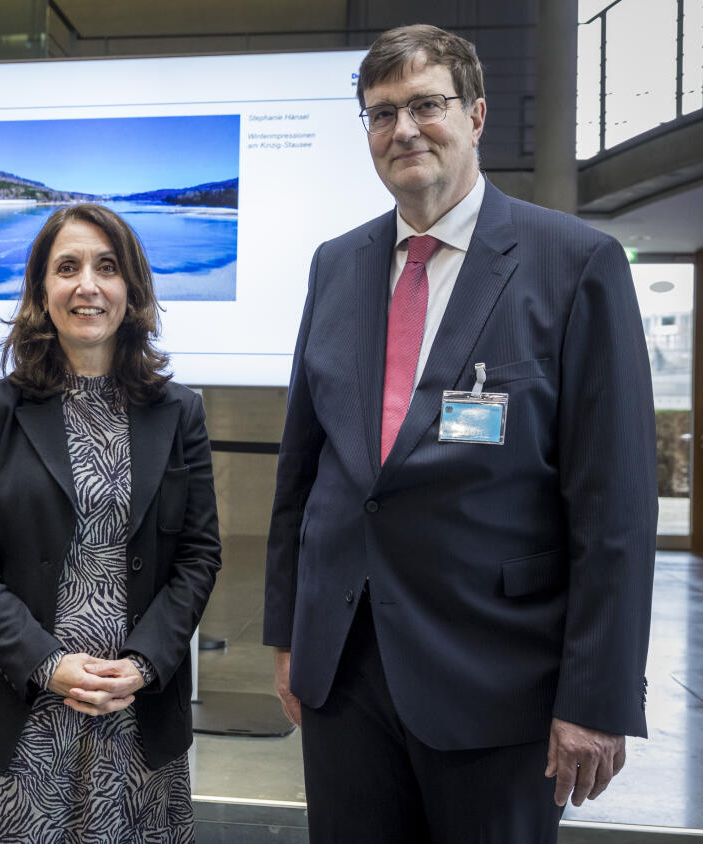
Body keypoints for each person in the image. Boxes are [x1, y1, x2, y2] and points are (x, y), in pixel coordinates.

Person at [263, 24, 656, 844]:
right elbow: (304, 470)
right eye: (381, 113)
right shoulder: (336, 265)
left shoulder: (575, 263)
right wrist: (288, 637)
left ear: (476, 116)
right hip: (346, 669)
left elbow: (613, 505)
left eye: (426, 105)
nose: (403, 129)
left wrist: (597, 697)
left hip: (499, 676)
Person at [0, 203, 221, 842]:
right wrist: (47, 663)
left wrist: (145, 662)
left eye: (107, 267)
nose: (87, 284)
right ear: (43, 289)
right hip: (24, 714)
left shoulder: (180, 413)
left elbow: (199, 554)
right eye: (67, 267)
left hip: (136, 716)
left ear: (132, 290)